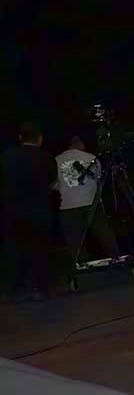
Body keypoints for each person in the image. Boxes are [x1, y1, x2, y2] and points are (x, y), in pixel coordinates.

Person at [1, 121, 58, 299]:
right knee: (40, 249)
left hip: (13, 210)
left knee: (15, 250)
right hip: (39, 210)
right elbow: (53, 183)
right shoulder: (46, 158)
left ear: (20, 138)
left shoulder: (7, 157)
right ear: (40, 139)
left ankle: (15, 288)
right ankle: (40, 287)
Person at [55, 135, 120, 268]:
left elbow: (54, 184)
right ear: (81, 145)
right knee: (104, 234)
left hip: (68, 206)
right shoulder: (91, 158)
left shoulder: (56, 160)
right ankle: (116, 260)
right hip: (92, 204)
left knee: (75, 241)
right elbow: (99, 179)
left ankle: (82, 266)